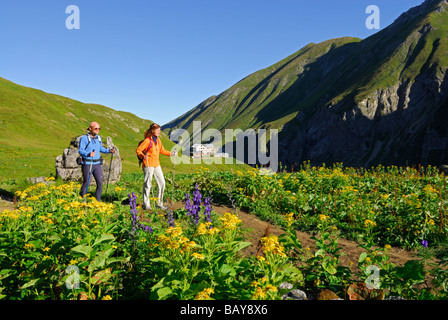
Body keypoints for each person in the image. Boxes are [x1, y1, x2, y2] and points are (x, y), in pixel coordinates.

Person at [136, 123, 175, 210]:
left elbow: (162, 150)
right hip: (148, 165)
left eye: (159, 129)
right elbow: (138, 150)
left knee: (162, 183)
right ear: (152, 130)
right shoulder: (147, 141)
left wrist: (171, 154)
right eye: (157, 129)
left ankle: (159, 203)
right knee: (147, 184)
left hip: (157, 164)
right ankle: (146, 205)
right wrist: (143, 156)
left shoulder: (158, 140)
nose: (158, 131)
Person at [78, 121, 115, 201]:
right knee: (86, 183)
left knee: (100, 182)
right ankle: (82, 201)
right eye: (95, 128)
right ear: (90, 129)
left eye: (99, 128)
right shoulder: (84, 138)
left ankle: (97, 201)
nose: (97, 130)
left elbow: (100, 148)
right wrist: (88, 154)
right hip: (88, 163)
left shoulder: (99, 138)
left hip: (97, 164)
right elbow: (80, 150)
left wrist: (109, 151)